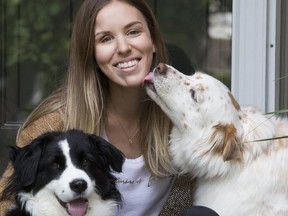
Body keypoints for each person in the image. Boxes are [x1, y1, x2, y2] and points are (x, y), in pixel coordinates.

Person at [0, 0, 219, 215]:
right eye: (106, 39)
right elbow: (6, 203)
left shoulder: (183, 122)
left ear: (152, 40)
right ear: (91, 54)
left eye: (133, 32)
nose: (124, 48)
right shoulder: (55, 124)